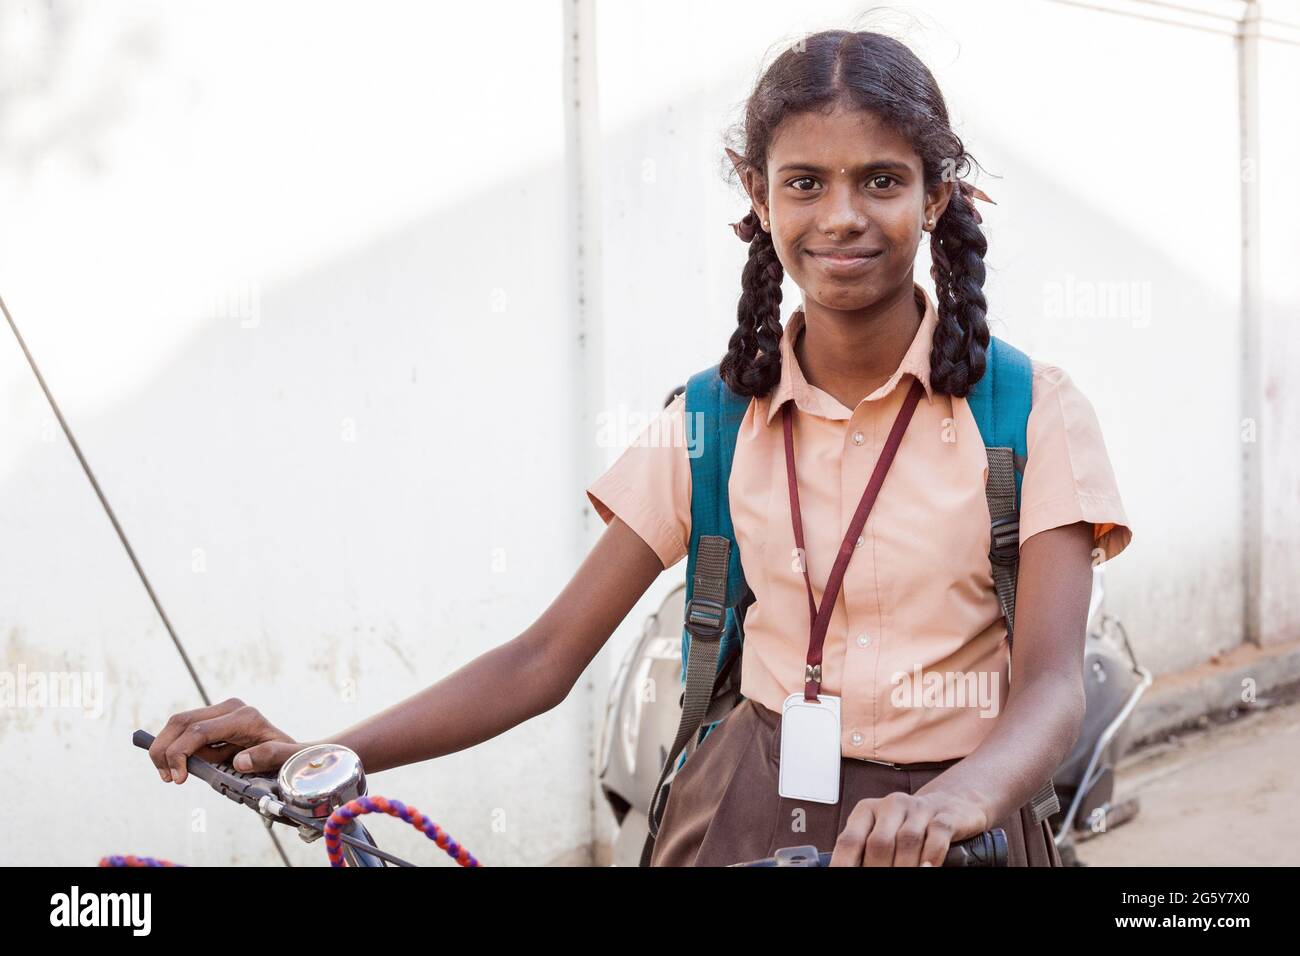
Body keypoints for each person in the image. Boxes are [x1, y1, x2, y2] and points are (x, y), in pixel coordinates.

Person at [146, 28, 1132, 867]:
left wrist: (957, 802)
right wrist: (322, 751)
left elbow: (1047, 683)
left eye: (880, 179)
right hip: (747, 816)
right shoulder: (709, 419)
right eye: (804, 181)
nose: (840, 215)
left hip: (959, 833)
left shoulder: (1030, 410)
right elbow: (542, 655)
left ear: (936, 196)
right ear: (757, 194)